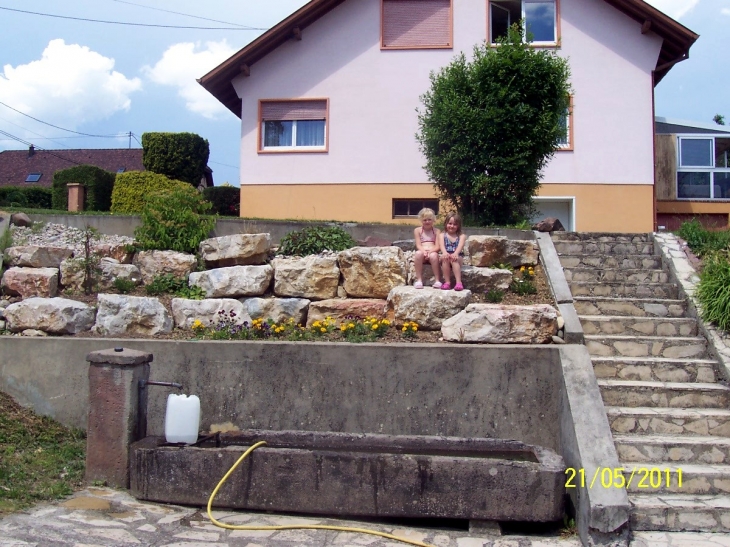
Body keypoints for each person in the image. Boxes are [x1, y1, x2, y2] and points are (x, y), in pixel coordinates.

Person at [413, 208, 442, 289]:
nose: (427, 222)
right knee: (418, 254)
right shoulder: (417, 230)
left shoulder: (437, 231)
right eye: (425, 220)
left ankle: (437, 280)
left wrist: (430, 252)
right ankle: (419, 280)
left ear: (433, 220)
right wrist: (424, 251)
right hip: (422, 251)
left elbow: (437, 246)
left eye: (429, 219)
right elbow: (418, 245)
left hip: (432, 251)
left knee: (434, 256)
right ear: (421, 220)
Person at [439, 212, 466, 291]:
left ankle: (458, 282)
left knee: (453, 259)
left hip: (457, 256)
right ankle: (447, 282)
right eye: (450, 223)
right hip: (446, 254)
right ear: (446, 223)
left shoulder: (461, 236)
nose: (452, 226)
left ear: (458, 226)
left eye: (455, 224)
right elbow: (442, 246)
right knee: (445, 258)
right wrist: (444, 253)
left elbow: (460, 246)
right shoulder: (442, 235)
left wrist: (455, 253)